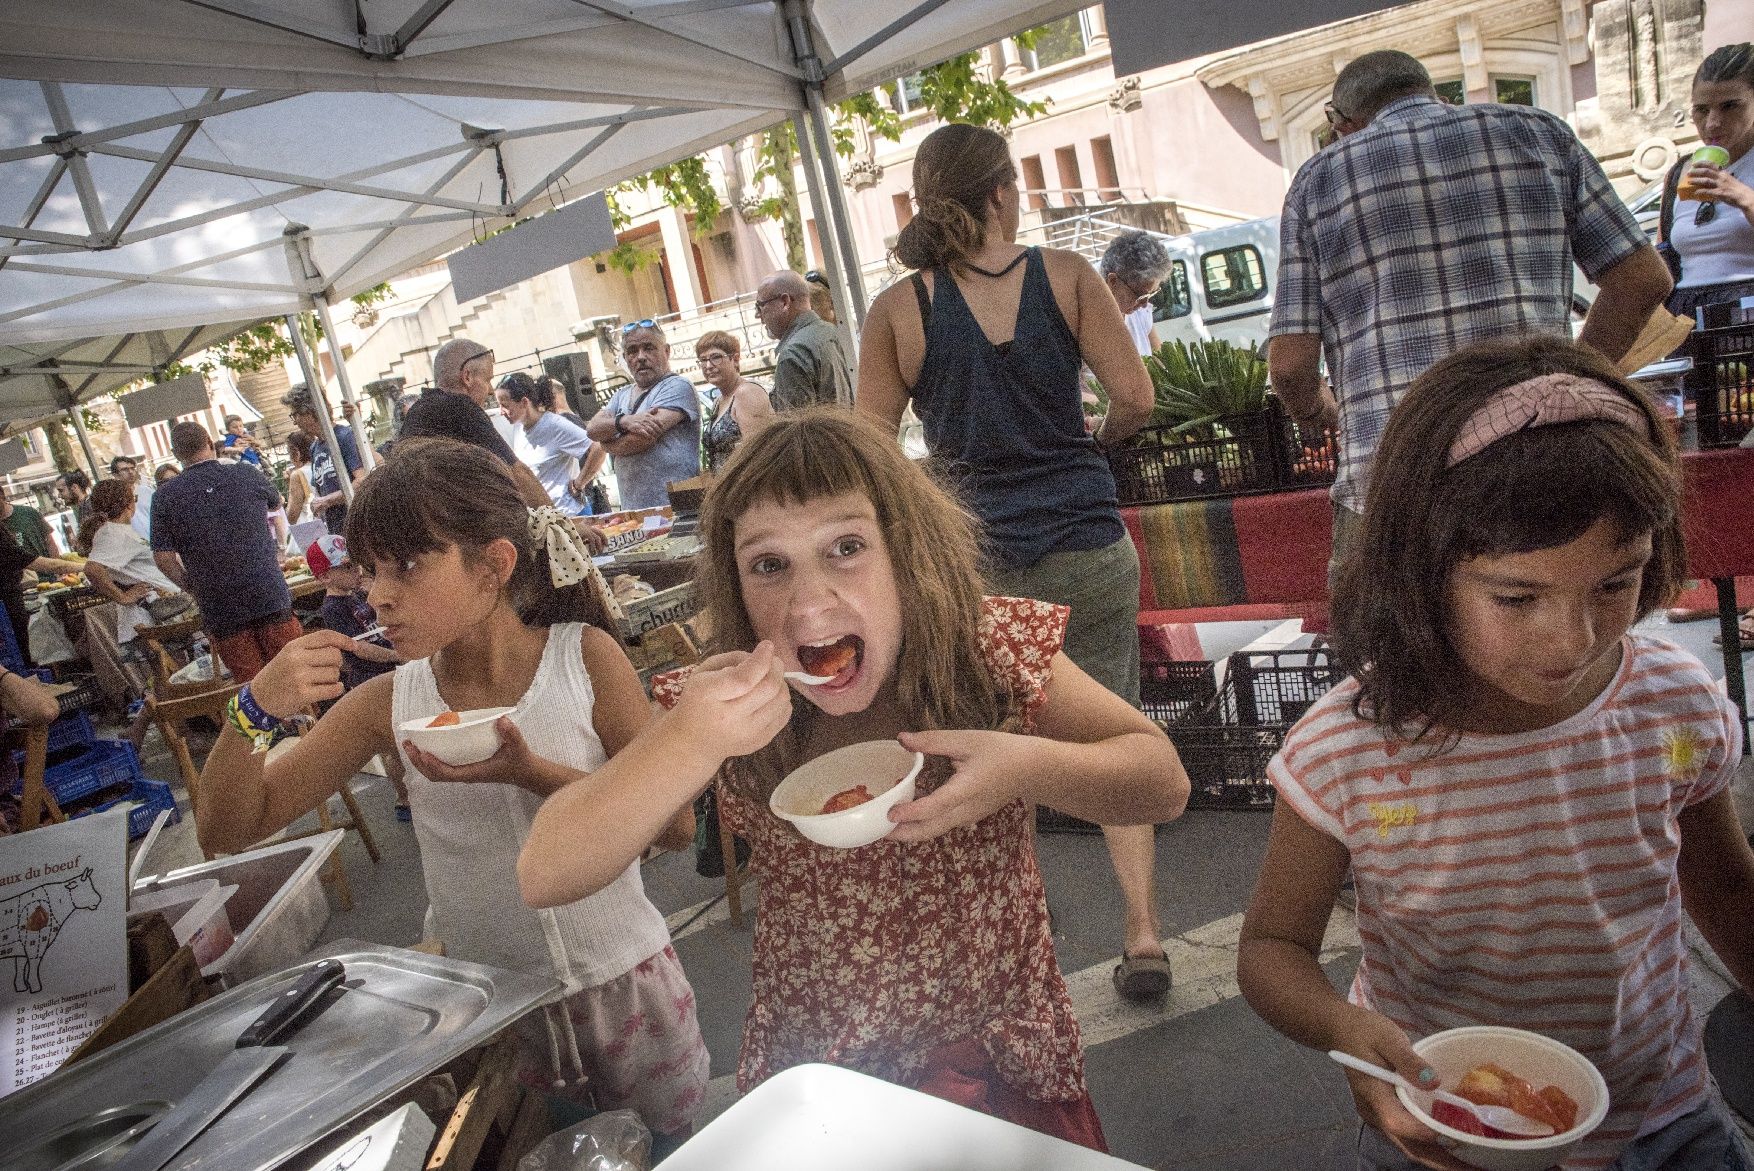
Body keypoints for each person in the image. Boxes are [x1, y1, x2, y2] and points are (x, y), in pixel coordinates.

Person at [518, 411, 1189, 1149]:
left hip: (1002, 1061)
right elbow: (548, 869)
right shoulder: (720, 704)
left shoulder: (984, 650)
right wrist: (686, 741)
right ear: (736, 588)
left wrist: (1024, 764)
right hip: (827, 1075)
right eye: (768, 565)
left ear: (905, 552)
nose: (808, 603)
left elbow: (1162, 781)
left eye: (846, 548)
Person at [1237, 335, 1754, 1171]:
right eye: (1518, 596)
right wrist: (1350, 1036)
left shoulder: (1674, 704)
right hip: (1450, 1122)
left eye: (1616, 582)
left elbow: (1724, 883)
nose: (1574, 638)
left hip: (1665, 1116)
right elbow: (1271, 949)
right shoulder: (1349, 750)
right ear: (1424, 571)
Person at [193, 438, 710, 1138]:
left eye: (406, 565)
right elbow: (229, 827)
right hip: (493, 1015)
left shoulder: (585, 659)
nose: (377, 592)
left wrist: (534, 773)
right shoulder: (389, 702)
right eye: (369, 568)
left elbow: (676, 826)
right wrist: (251, 710)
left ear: (494, 565)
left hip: (625, 990)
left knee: (672, 1148)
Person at [855, 123, 1168, 1003]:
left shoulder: (899, 308)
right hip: (1087, 540)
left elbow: (869, 453)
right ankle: (1143, 932)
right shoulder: (1068, 277)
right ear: (1002, 194)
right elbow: (1136, 398)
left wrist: (938, 486)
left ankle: (1021, 927)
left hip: (973, 564)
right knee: (1117, 730)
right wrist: (1088, 448)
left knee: (992, 742)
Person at [1268, 49, 1673, 575]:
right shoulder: (1541, 135)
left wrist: (1316, 412)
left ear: (1340, 123)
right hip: (1541, 460)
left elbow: (1291, 365)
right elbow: (1642, 281)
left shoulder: (1317, 181)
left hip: (1393, 484)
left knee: (1396, 655)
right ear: (1436, 93)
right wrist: (1569, 380)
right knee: (1553, 647)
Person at [1662, 43, 1754, 647]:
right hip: (1696, 322)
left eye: (1729, 107)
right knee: (1706, 461)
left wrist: (1739, 197)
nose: (1713, 124)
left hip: (1748, 315)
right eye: (1701, 111)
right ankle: (1717, 582)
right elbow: (1670, 257)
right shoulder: (1681, 172)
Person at [150, 422, 298, 684]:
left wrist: (191, 586)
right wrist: (276, 551)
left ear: (176, 453)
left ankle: (269, 724)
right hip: (267, 589)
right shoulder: (247, 473)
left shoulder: (164, 497)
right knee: (294, 673)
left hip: (219, 602)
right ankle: (308, 723)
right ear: (210, 442)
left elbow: (163, 558)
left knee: (252, 686)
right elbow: (277, 504)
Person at [401, 339, 553, 511]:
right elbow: (516, 472)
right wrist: (560, 522)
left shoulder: (418, 411)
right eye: (488, 379)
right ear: (467, 377)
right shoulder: (460, 408)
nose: (490, 390)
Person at [586, 321, 702, 510]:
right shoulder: (620, 395)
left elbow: (641, 440)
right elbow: (592, 430)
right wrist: (625, 421)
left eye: (649, 348)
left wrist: (607, 443)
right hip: (635, 512)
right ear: (625, 357)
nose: (640, 357)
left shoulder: (677, 386)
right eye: (632, 351)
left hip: (678, 509)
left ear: (666, 351)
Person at [78, 478, 186, 647]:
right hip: (152, 613)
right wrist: (123, 597)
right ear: (128, 504)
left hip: (166, 608)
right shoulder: (112, 533)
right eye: (134, 498)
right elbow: (92, 569)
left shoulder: (119, 531)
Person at [496, 372, 605, 516]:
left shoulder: (554, 424)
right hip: (546, 518)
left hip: (571, 514)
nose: (501, 412)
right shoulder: (518, 428)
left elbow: (598, 448)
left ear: (524, 402)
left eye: (505, 405)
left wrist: (579, 484)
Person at [755, 270, 853, 411]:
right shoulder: (834, 332)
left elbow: (796, 428)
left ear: (785, 302)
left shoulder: (793, 354)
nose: (757, 315)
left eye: (761, 305)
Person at [283, 386, 365, 536]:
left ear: (308, 411)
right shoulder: (315, 447)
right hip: (337, 532)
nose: (295, 422)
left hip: (359, 528)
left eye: (295, 415)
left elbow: (363, 481)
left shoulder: (343, 437)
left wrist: (328, 500)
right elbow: (320, 492)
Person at [696, 329, 772, 472]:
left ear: (735, 359)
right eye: (703, 360)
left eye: (716, 357)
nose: (708, 366)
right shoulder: (718, 401)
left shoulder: (747, 393)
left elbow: (760, 454)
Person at [1098, 230, 1172, 358]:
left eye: (1151, 295)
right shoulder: (1089, 325)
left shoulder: (1140, 315)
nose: (1145, 305)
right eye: (1140, 296)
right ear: (1113, 281)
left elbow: (1163, 364)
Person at [1, 494, 59, 560]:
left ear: (1, 495)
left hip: (46, 566)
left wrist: (55, 565)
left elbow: (49, 541)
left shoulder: (28, 513)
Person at [110, 455, 153, 540]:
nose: (130, 472)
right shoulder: (113, 499)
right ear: (115, 475)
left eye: (132, 468)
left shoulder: (147, 491)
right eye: (125, 470)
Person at [284, 430, 314, 528]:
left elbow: (292, 516)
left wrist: (289, 484)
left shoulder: (297, 475)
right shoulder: (317, 466)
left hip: (307, 527)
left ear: (296, 452)